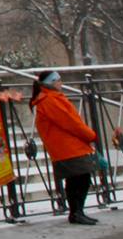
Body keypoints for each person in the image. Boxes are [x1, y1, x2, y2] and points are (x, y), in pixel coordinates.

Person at [31, 71, 103, 225]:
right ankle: (76, 213)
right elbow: (70, 122)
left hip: (68, 145)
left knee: (78, 179)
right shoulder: (50, 100)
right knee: (80, 179)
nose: (61, 83)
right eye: (58, 80)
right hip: (67, 146)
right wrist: (90, 135)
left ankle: (77, 212)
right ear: (51, 83)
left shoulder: (52, 98)